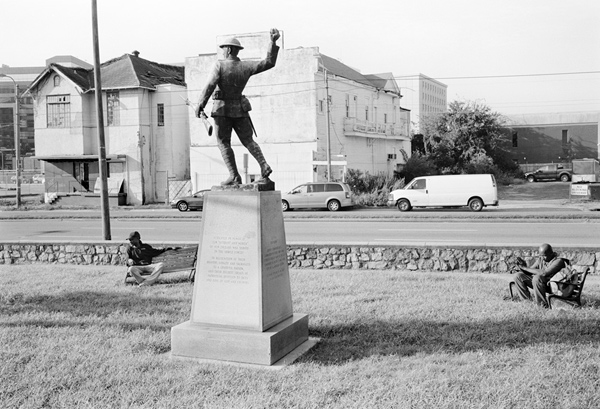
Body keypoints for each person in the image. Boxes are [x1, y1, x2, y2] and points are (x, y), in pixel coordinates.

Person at [195, 28, 281, 186]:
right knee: (248, 140)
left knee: (223, 143)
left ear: (227, 50)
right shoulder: (246, 67)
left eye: (223, 50)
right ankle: (264, 166)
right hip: (240, 110)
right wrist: (273, 43)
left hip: (221, 109)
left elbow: (210, 85)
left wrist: (201, 104)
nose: (222, 52)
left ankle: (234, 176)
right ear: (236, 51)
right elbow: (269, 62)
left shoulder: (219, 65)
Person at [513, 243, 566, 308]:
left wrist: (525, 268)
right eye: (541, 255)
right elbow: (530, 271)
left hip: (552, 286)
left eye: (544, 256)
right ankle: (526, 303)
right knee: (518, 276)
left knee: (537, 278)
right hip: (540, 284)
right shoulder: (541, 259)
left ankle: (542, 306)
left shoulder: (558, 261)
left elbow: (544, 273)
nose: (542, 258)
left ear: (551, 253)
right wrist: (521, 267)